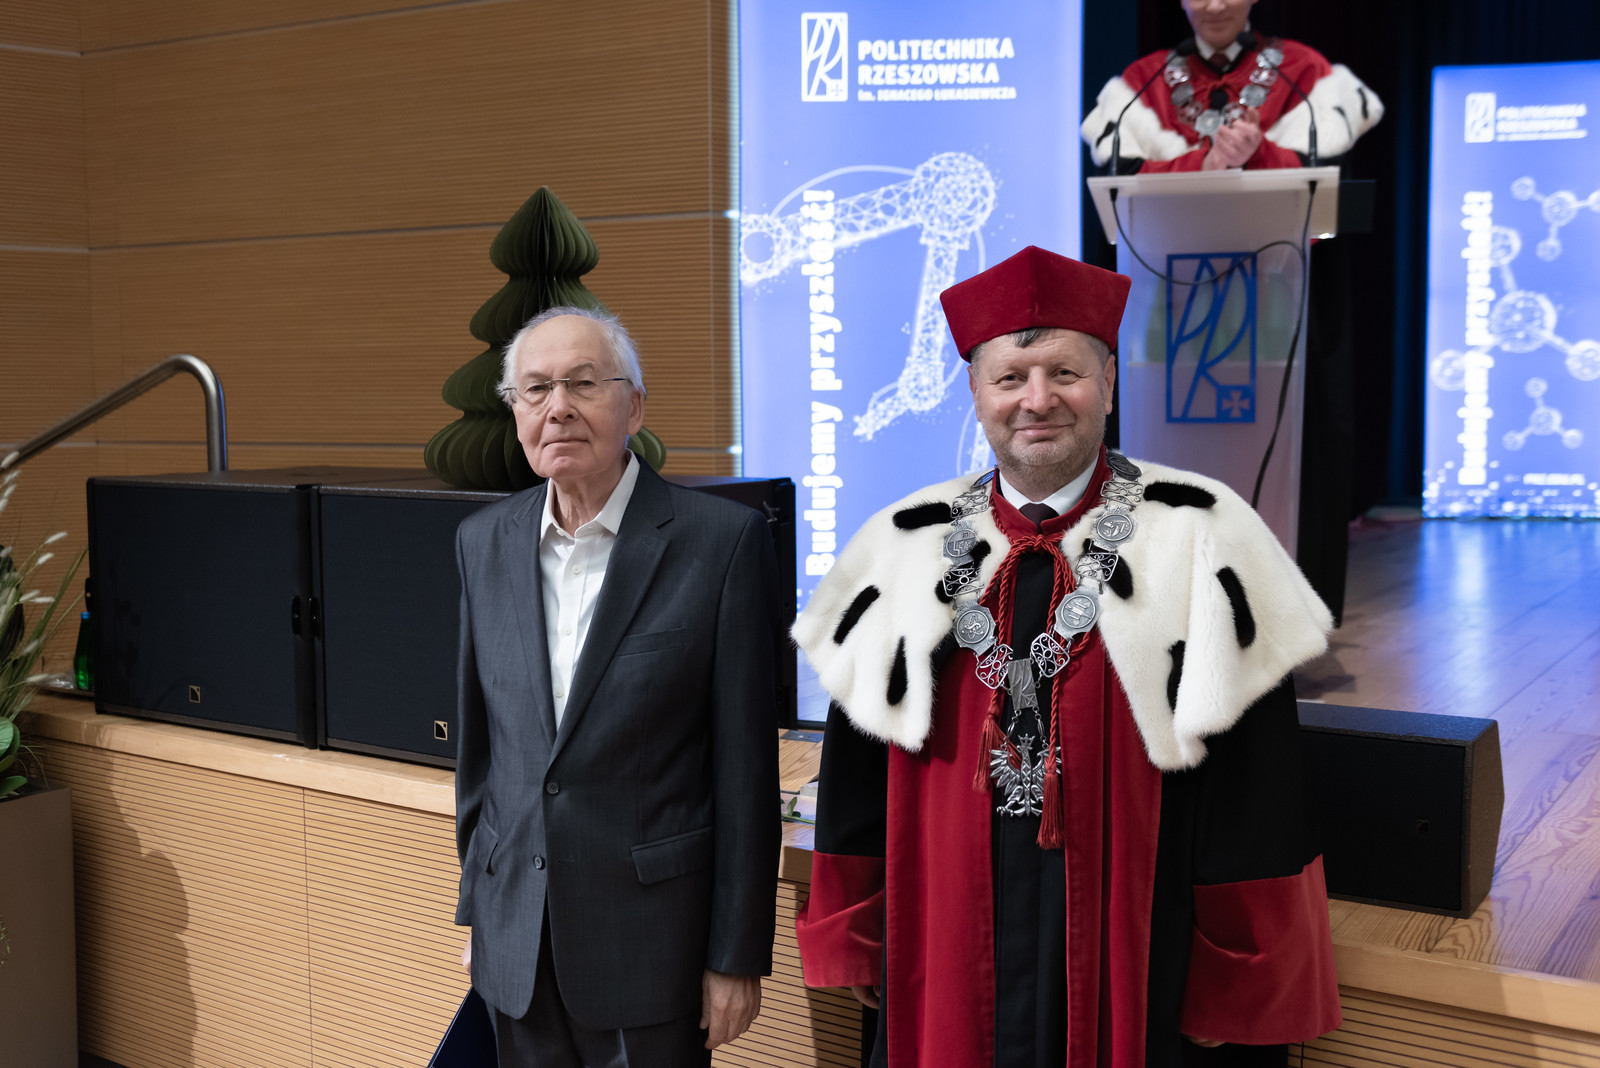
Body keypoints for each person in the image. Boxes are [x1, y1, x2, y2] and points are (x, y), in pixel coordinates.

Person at [792, 246, 1342, 1067]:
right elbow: (857, 763)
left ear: (1109, 383)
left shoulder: (1203, 534)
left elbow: (1256, 783)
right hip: (944, 945)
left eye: (1066, 373)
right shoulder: (903, 545)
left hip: (1142, 950)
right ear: (976, 393)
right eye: (1010, 378)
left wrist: (1239, 968)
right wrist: (857, 923)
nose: (1037, 399)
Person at [453, 305, 781, 1067]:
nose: (558, 407)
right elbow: (482, 754)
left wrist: (736, 956)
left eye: (583, 383)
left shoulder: (719, 543)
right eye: (536, 389)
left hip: (654, 949)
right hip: (518, 944)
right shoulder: (482, 542)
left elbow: (744, 773)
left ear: (633, 406)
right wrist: (481, 913)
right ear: (515, 412)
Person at [1080, 0, 1383, 172]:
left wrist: (1260, 153)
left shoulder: (1304, 69)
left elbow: (1325, 174)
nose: (1215, 6)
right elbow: (1120, 177)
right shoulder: (1143, 78)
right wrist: (1204, 164)